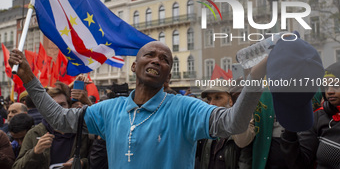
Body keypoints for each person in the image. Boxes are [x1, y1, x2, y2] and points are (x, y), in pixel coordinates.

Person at [9, 41, 266, 169]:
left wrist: (257, 74)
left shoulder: (186, 108)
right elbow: (60, 119)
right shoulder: (110, 109)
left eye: (164, 59)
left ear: (168, 74)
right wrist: (30, 79)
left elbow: (234, 122)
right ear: (135, 66)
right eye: (149, 55)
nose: (156, 60)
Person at [12, 88, 91, 169]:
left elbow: (96, 161)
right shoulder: (34, 133)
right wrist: (35, 152)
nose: (58, 109)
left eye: (62, 104)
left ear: (69, 107)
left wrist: (81, 163)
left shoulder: (82, 132)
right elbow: (17, 166)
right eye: (53, 105)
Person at [280, 61, 340, 169]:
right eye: (326, 87)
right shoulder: (319, 117)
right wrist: (290, 130)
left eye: (335, 85)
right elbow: (299, 163)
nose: (329, 91)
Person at [196, 84, 255, 169]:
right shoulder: (207, 126)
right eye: (209, 99)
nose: (212, 103)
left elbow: (243, 141)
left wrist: (237, 113)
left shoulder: (245, 119)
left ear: (231, 100)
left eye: (218, 97)